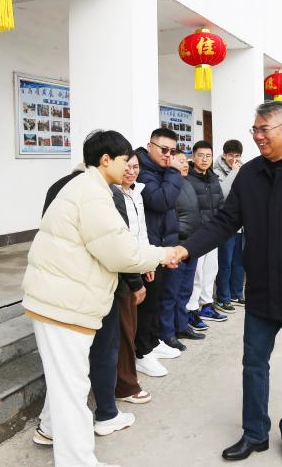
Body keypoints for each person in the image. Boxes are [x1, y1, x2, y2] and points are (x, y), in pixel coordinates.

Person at [173, 102, 282, 467]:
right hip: (261, 290)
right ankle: (255, 432)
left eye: (264, 129)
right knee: (253, 364)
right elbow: (224, 222)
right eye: (255, 129)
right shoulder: (249, 175)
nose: (257, 136)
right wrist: (186, 250)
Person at [22, 129, 178, 467]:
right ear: (105, 160)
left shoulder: (88, 187)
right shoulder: (93, 194)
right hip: (62, 303)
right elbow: (121, 252)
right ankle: (77, 461)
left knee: (66, 378)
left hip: (60, 298)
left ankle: (49, 429)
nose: (129, 167)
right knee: (73, 386)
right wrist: (164, 254)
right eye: (124, 160)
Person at [114, 153, 169, 406]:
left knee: (143, 311)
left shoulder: (137, 192)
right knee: (127, 322)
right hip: (124, 265)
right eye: (127, 167)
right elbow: (122, 238)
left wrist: (148, 261)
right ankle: (130, 373)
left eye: (135, 167)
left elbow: (142, 230)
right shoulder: (112, 195)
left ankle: (142, 353)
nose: (131, 172)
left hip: (138, 258)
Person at [134, 128, 185, 377]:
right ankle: (142, 352)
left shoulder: (161, 171)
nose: (168, 155)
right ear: (150, 146)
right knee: (148, 303)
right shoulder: (143, 172)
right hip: (149, 247)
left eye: (172, 151)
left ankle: (153, 342)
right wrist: (174, 172)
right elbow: (161, 201)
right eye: (164, 149)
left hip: (163, 245)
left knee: (158, 299)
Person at [159, 149, 207, 350]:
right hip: (177, 245)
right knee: (171, 292)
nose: (185, 164)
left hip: (191, 244)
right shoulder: (168, 185)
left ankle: (181, 326)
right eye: (180, 161)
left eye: (186, 161)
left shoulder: (186, 182)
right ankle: (167, 333)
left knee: (185, 290)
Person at [185, 141, 229, 325]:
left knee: (211, 271)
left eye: (208, 156)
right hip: (196, 235)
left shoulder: (213, 178)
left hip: (212, 233)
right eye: (201, 155)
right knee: (196, 274)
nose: (204, 159)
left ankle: (207, 306)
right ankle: (191, 310)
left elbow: (220, 204)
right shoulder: (187, 178)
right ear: (193, 156)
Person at [213, 139, 245, 310]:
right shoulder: (216, 171)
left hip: (241, 224)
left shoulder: (243, 168)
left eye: (237, 155)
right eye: (230, 155)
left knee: (239, 262)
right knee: (225, 262)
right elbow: (223, 193)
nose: (234, 159)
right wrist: (234, 172)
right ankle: (222, 297)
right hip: (225, 224)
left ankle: (236, 293)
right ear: (224, 155)